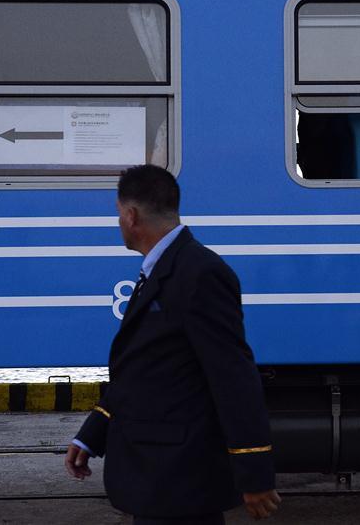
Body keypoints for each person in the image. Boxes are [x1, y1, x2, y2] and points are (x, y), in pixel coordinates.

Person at [64, 164, 280, 524]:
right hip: (157, 476)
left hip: (179, 477)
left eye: (119, 215)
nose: (118, 223)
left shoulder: (200, 272)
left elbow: (233, 377)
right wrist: (93, 433)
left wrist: (254, 471)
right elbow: (143, 368)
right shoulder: (162, 269)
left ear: (131, 216)